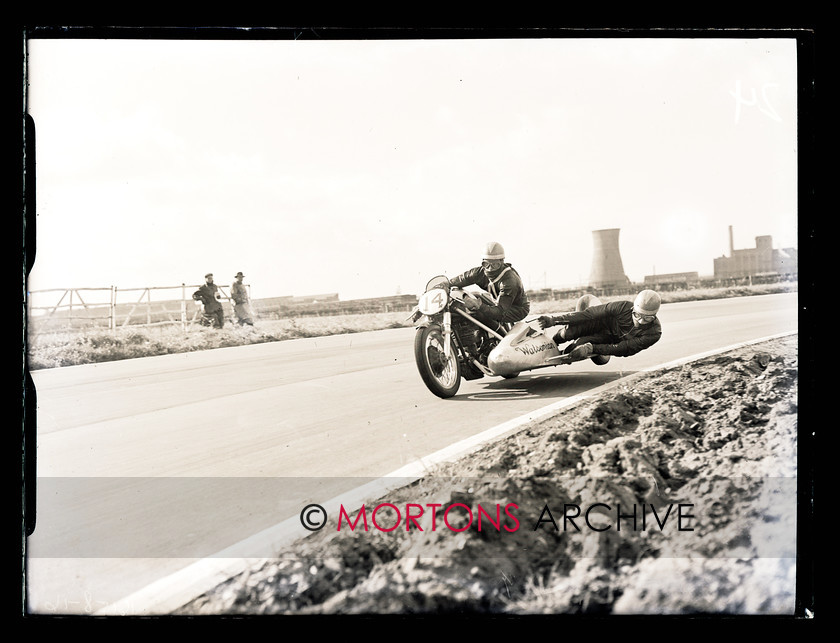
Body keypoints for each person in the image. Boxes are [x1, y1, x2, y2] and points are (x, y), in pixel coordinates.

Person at [449, 242, 530, 360]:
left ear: (502, 262)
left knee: (479, 311)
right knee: (472, 297)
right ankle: (470, 337)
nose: (490, 268)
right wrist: (442, 285)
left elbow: (500, 312)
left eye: (495, 265)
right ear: (482, 262)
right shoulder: (479, 272)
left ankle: (503, 339)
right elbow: (457, 280)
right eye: (486, 264)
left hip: (517, 308)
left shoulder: (510, 280)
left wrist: (479, 306)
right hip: (498, 302)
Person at [537, 289, 662, 361]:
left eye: (647, 318)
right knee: (568, 333)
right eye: (638, 315)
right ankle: (551, 342)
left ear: (654, 316)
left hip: (610, 340)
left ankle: (561, 353)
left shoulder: (654, 333)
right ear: (633, 309)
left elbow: (624, 348)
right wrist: (554, 320)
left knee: (576, 348)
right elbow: (589, 314)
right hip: (599, 324)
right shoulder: (623, 307)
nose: (640, 321)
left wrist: (591, 349)